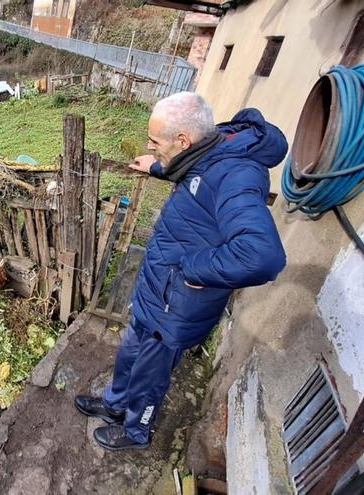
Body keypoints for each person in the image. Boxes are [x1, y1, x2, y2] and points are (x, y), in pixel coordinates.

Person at [74, 92, 288, 451]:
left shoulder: (237, 174)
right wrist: (156, 166)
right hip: (156, 290)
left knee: (151, 374)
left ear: (183, 139)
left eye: (155, 141)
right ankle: (114, 406)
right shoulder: (211, 146)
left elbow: (262, 256)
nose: (150, 145)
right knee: (129, 352)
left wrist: (194, 267)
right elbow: (194, 173)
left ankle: (136, 431)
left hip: (178, 303)